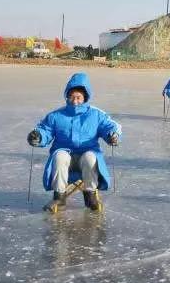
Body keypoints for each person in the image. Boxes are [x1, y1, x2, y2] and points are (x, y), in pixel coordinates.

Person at [27, 73, 121, 212]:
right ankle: (59, 197)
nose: (75, 101)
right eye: (71, 97)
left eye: (78, 97)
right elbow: (45, 130)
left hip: (86, 156)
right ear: (67, 96)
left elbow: (110, 127)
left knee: (90, 157)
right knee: (59, 156)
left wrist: (112, 135)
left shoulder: (96, 114)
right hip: (65, 157)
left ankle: (90, 195)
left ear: (85, 97)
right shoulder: (56, 115)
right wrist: (38, 136)